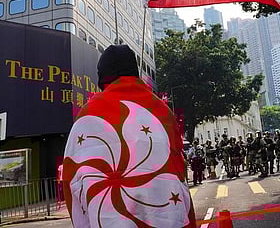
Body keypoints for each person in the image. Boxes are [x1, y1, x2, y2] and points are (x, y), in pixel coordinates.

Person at [62, 45, 196, 227]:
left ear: (102, 76)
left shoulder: (86, 116)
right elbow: (180, 173)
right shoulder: (163, 112)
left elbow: (72, 183)